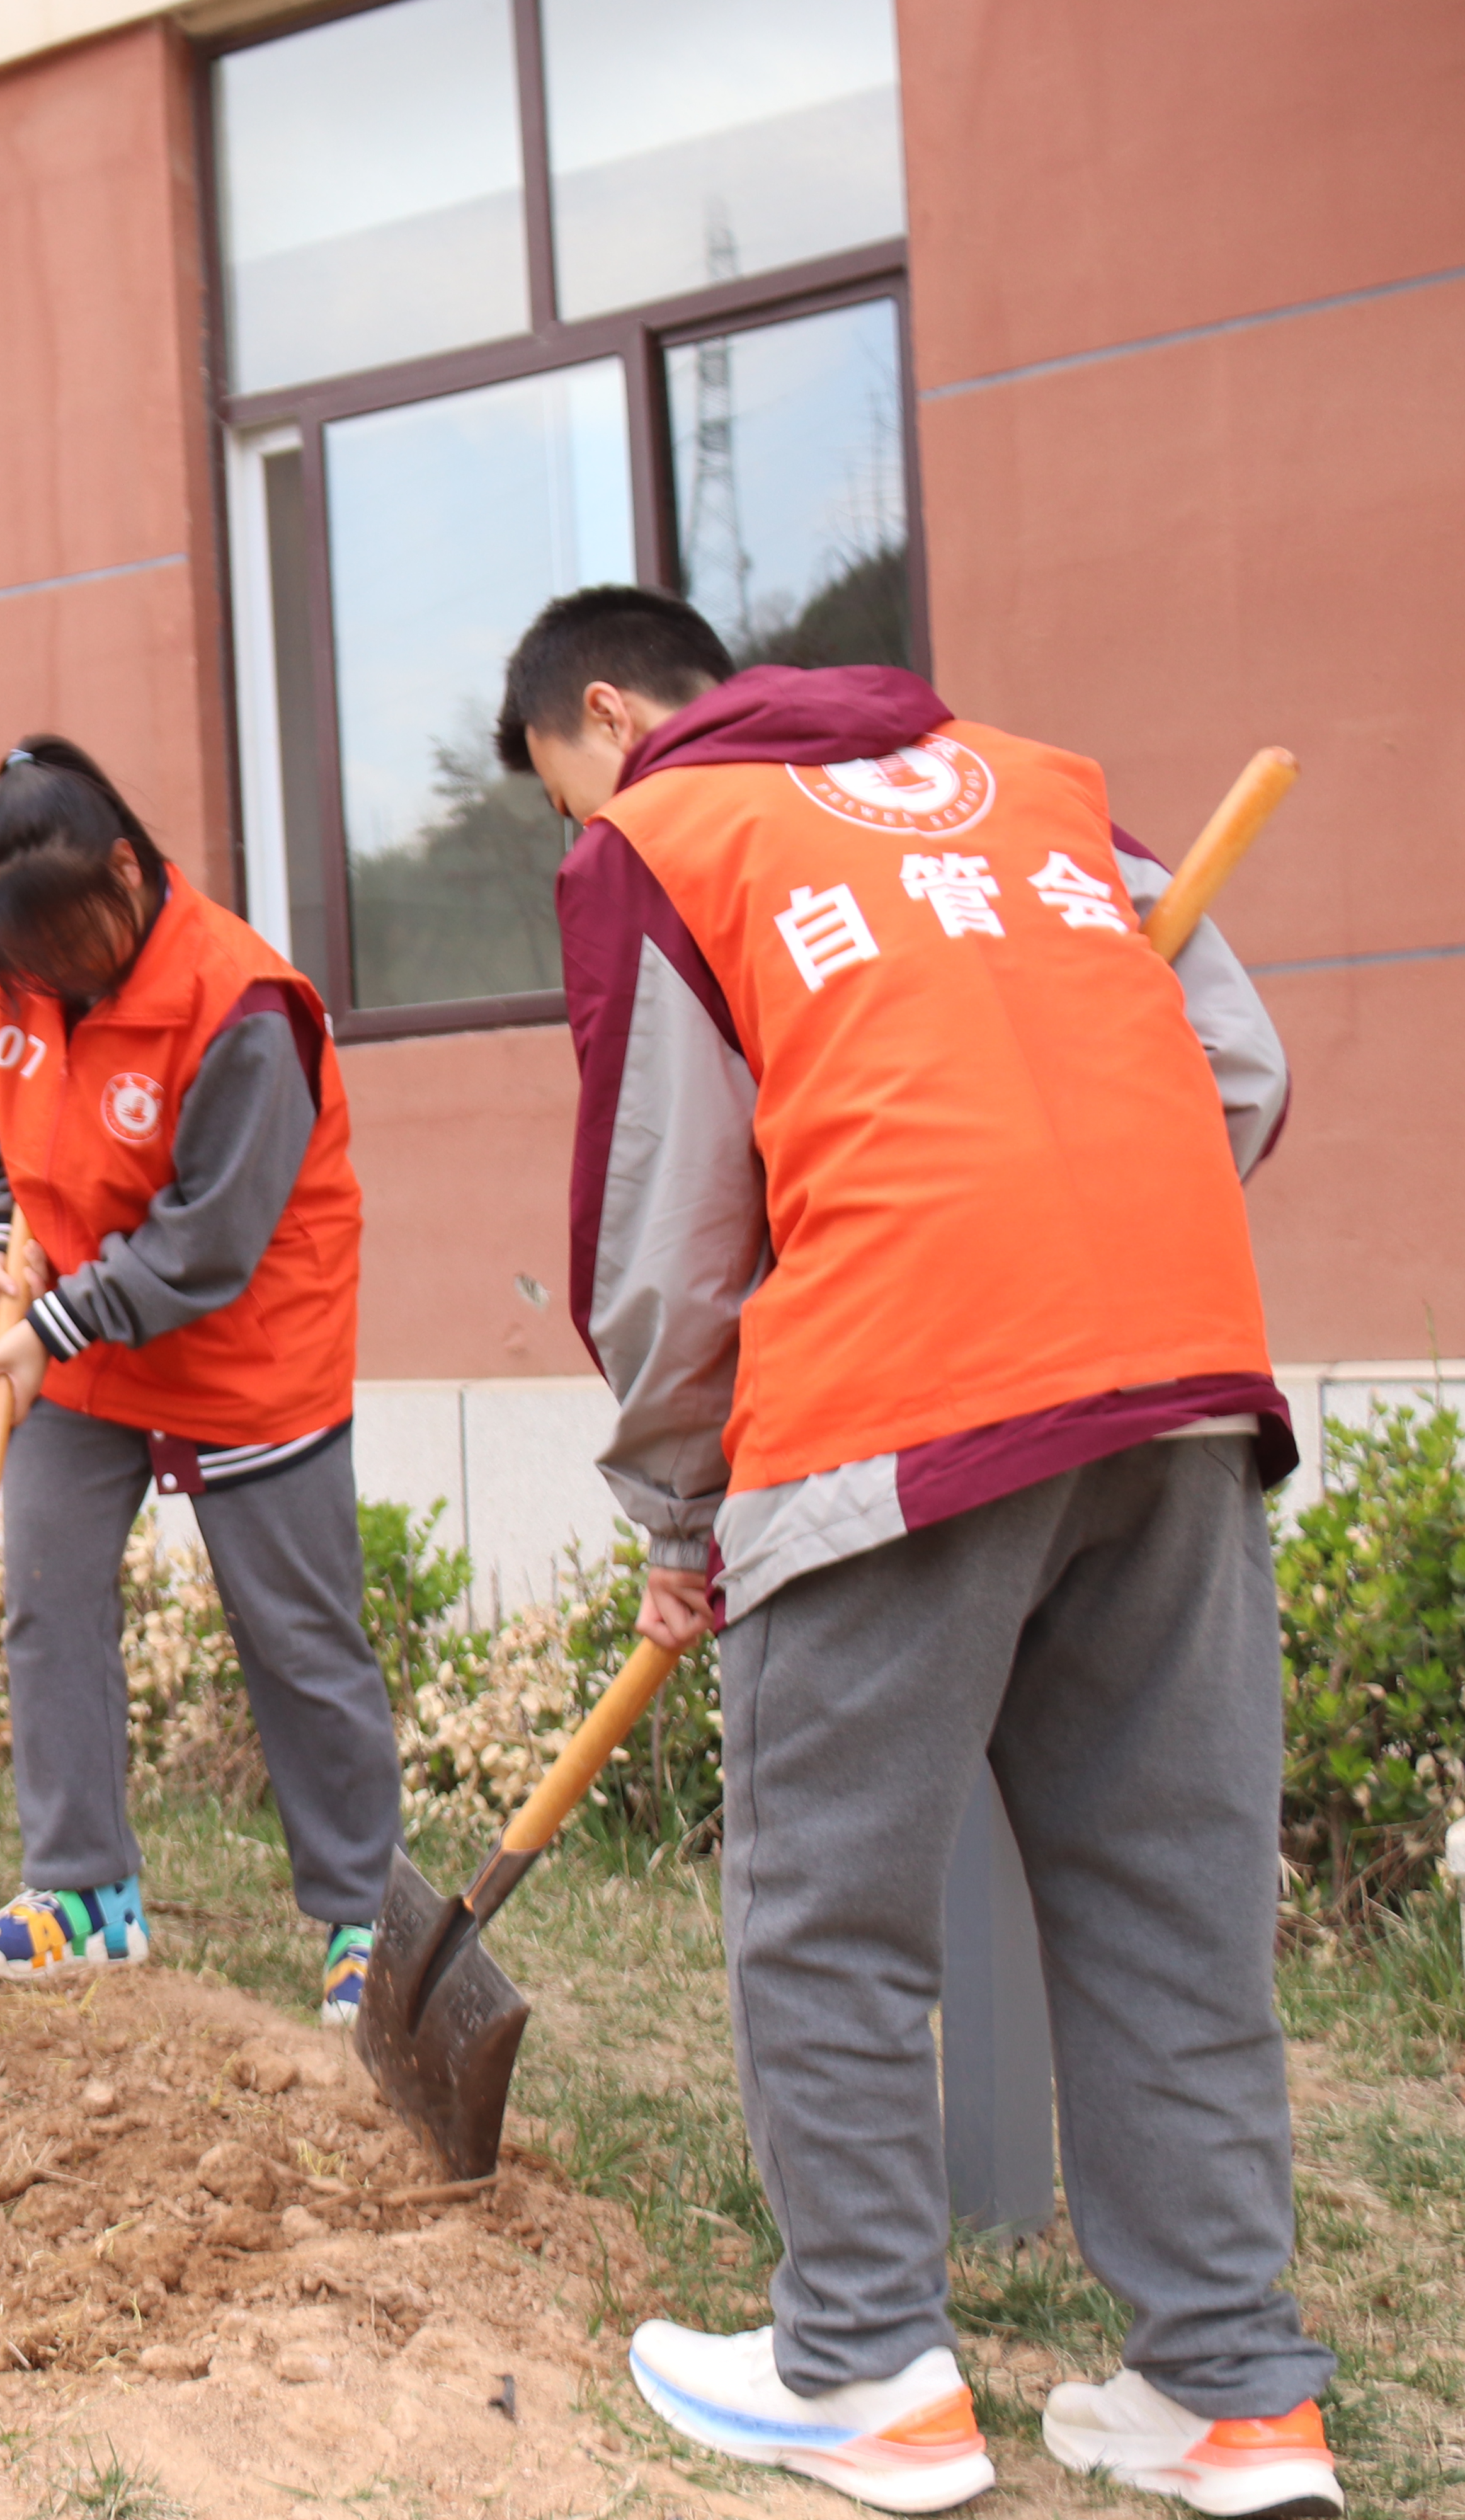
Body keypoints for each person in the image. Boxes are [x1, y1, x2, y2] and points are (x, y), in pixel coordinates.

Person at [516, 587, 1333, 2516]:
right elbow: (1239, 1072)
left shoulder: (666, 840)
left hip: (893, 1394)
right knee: (1167, 1902)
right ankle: (1229, 2392)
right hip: (1177, 1379)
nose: (573, 823)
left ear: (612, 723)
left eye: (561, 786)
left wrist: (677, 1503)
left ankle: (863, 2365)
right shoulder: (1038, 791)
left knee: (832, 1909)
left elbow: (662, 1233)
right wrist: (1066, 1236)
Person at [0, 739, 398, 2017]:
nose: (46, 984)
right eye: (21, 965)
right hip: (79, 1329)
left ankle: (366, 1914)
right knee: (47, 1592)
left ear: (128, 874)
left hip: (247, 1335)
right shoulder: (0, 961)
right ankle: (86, 1891)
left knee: (297, 1636)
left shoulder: (245, 1002)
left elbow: (209, 1239)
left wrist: (61, 1322)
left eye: (65, 954)